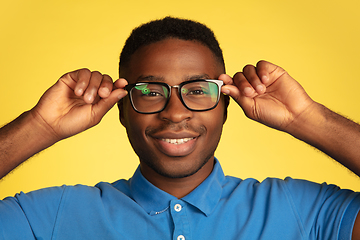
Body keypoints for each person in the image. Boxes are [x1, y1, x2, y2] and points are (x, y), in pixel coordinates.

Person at [0, 16, 359, 239]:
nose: (174, 113)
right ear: (121, 109)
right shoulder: (51, 216)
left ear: (226, 107)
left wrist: (307, 118)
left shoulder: (302, 210)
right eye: (151, 91)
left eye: (198, 91)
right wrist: (41, 125)